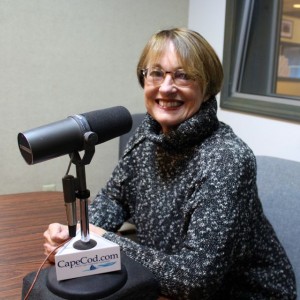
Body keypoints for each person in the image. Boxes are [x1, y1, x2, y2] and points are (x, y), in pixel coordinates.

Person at [44, 28, 296, 299]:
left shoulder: (227, 159)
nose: (165, 87)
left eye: (183, 75)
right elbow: (116, 199)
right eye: (156, 73)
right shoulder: (147, 134)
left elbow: (195, 279)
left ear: (207, 86)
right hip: (166, 284)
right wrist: (76, 236)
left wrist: (103, 241)